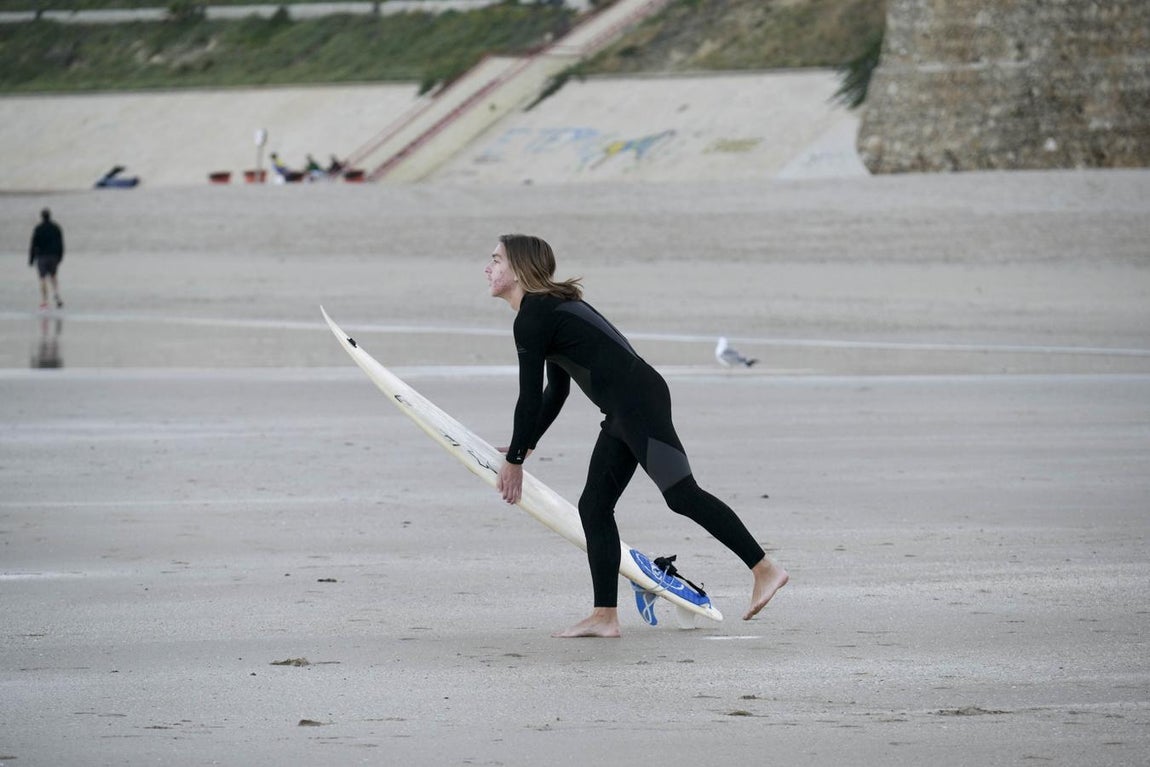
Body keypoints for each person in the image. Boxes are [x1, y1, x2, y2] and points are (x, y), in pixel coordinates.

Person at [486, 234, 788, 638]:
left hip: (637, 403)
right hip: (626, 406)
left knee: (681, 495)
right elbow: (555, 391)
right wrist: (527, 443)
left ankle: (764, 568)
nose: (488, 268)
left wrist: (515, 462)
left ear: (519, 269)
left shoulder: (534, 316)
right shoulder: (547, 308)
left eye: (496, 260)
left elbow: (527, 396)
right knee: (594, 506)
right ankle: (605, 616)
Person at [29, 208, 65, 310]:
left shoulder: (38, 229)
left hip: (42, 256)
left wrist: (31, 258)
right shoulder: (56, 228)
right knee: (53, 276)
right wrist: (60, 256)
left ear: (42, 216)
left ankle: (45, 301)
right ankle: (57, 295)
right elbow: (60, 243)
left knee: (42, 278)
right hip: (54, 256)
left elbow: (33, 244)